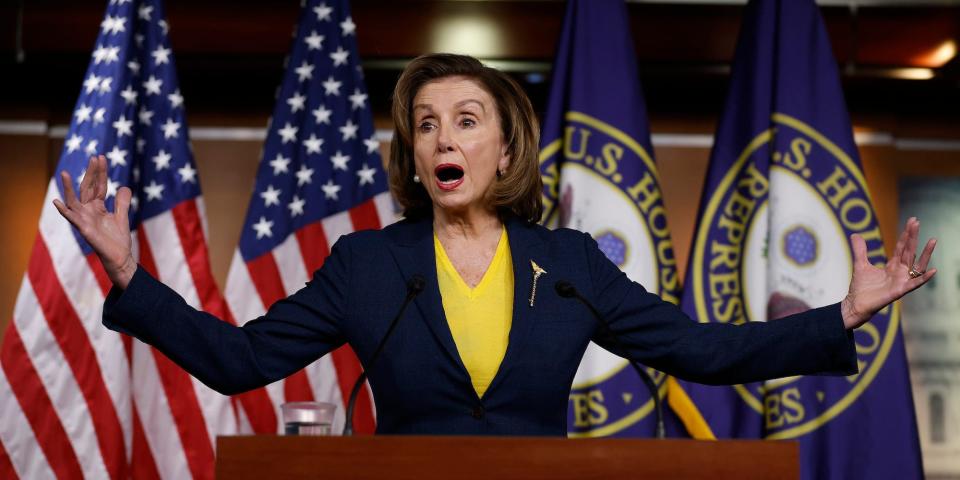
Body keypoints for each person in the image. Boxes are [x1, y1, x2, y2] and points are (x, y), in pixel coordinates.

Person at [53, 53, 937, 436]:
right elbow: (241, 359)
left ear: (502, 149)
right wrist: (129, 270)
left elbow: (700, 350)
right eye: (427, 124)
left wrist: (844, 311)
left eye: (465, 121)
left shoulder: (573, 265)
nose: (444, 139)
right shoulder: (367, 265)